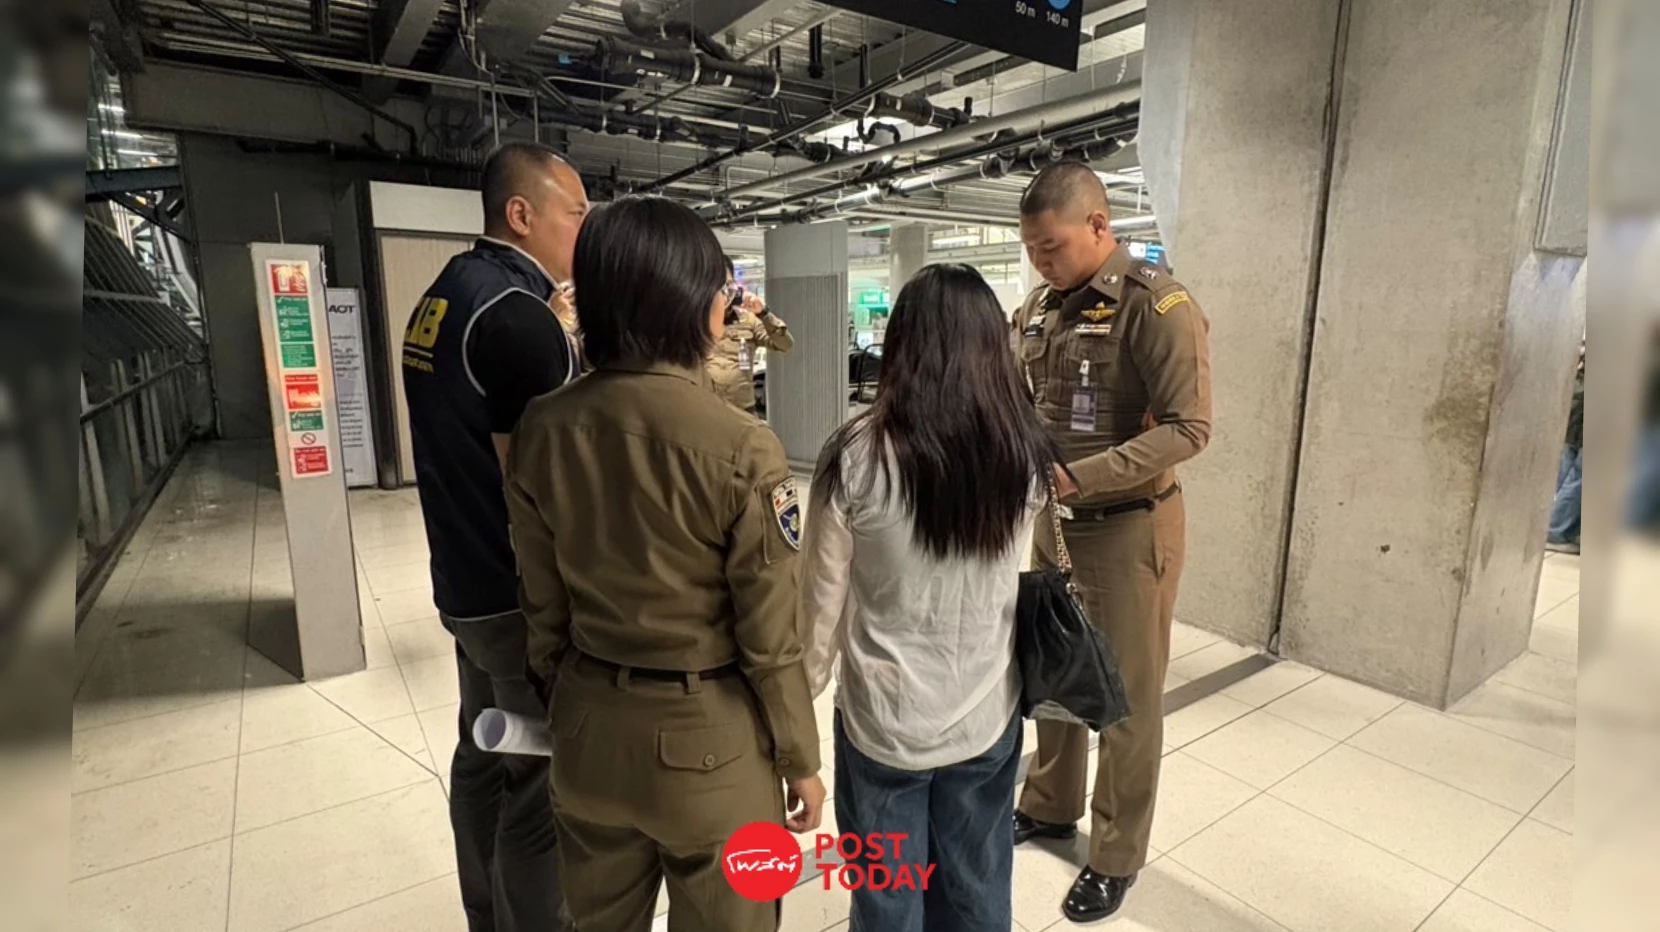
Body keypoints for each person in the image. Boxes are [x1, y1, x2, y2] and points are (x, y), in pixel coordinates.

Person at [504, 195, 826, 932]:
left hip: (588, 732)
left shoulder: (542, 426)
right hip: (710, 749)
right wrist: (799, 758)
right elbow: (770, 639)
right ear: (701, 307)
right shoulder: (743, 447)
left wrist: (568, 699)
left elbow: (542, 603)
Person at [802, 264, 1056, 932]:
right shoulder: (1023, 452)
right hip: (985, 706)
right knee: (977, 884)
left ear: (900, 344)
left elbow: (821, 605)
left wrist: (796, 710)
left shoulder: (855, 455)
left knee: (889, 897)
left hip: (885, 720)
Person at [1009, 161, 1212, 922]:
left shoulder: (1156, 307)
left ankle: (1116, 854)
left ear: (1099, 225)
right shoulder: (1037, 310)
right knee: (1055, 669)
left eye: (1052, 246)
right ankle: (1049, 804)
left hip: (1129, 529)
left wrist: (1079, 477)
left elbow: (1191, 428)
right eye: (1031, 249)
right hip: (1053, 523)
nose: (1041, 262)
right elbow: (1020, 400)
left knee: (1127, 697)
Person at [401, 140, 589, 932]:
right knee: (539, 784)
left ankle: (485, 913)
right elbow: (544, 489)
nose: (585, 229)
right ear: (521, 214)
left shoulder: (443, 296)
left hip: (461, 578)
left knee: (481, 754)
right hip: (516, 600)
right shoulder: (517, 318)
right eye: (575, 213)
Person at [707, 257, 794, 415]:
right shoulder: (694, 323)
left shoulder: (748, 320)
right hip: (707, 412)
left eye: (727, 285)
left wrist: (763, 313)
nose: (723, 293)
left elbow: (785, 344)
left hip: (743, 411)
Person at [1546, 343, 1584, 553]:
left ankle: (1563, 528)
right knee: (1579, 479)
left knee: (1568, 477)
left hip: (1574, 422)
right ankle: (1556, 531)